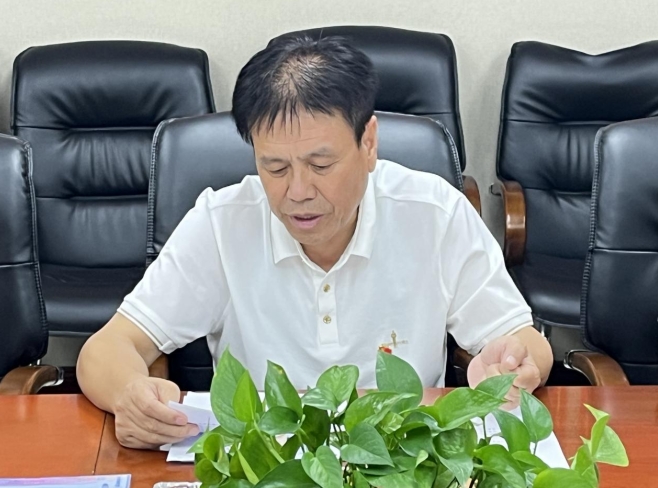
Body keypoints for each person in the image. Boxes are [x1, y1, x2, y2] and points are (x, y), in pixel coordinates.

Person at [77, 34, 552, 450]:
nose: (298, 192)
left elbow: (526, 342)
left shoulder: (435, 213)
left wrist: (514, 364)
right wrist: (130, 396)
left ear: (368, 143)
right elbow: (106, 350)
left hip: (402, 457)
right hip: (262, 462)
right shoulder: (222, 223)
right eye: (275, 167)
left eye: (321, 165)